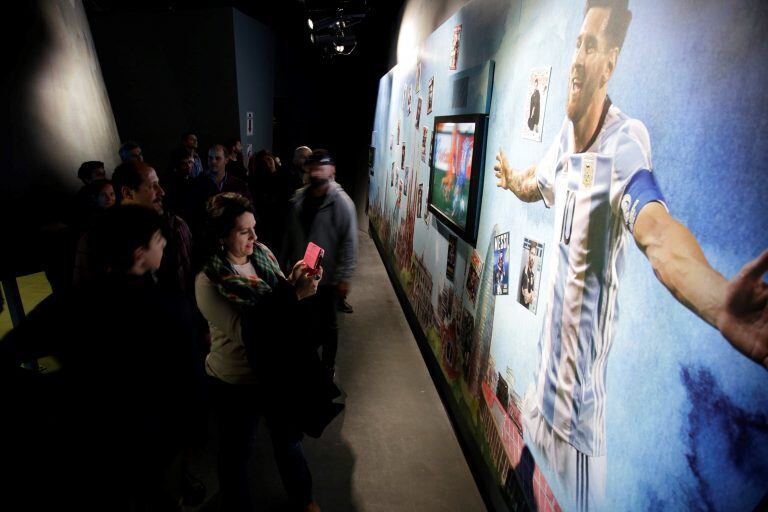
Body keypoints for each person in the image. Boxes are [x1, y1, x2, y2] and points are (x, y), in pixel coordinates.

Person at [493, 0, 768, 508]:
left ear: (609, 64)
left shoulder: (625, 142)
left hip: (575, 426)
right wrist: (512, 182)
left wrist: (718, 300)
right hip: (538, 398)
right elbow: (538, 183)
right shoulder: (563, 142)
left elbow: (658, 233)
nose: (577, 58)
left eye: (591, 46)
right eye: (577, 43)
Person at [0, 205, 205, 510]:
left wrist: (52, 393)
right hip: (152, 445)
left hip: (85, 448)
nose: (164, 244)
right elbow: (190, 387)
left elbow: (10, 349)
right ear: (139, 254)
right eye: (159, 240)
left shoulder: (69, 302)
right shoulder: (169, 309)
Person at [195, 193, 337, 512]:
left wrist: (298, 282)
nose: (255, 237)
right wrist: (293, 294)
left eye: (254, 228)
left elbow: (278, 300)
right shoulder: (208, 281)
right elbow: (252, 333)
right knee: (235, 455)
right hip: (235, 381)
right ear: (222, 235)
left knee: (288, 443)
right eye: (244, 231)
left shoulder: (261, 254)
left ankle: (304, 499)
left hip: (274, 372)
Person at [282, 150, 358, 373]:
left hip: (326, 279)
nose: (316, 172)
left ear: (332, 170)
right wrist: (283, 264)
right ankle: (307, 367)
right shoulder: (298, 199)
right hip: (301, 275)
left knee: (328, 326)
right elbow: (288, 235)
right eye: (312, 167)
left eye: (321, 167)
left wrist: (344, 277)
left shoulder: (342, 203)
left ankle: (327, 370)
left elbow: (350, 242)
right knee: (304, 323)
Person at [518, 242, 537, 310]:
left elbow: (532, 301)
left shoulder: (532, 274)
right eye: (532, 253)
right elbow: (526, 300)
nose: (533, 257)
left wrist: (530, 295)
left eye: (534, 254)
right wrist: (531, 295)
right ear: (529, 253)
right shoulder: (525, 272)